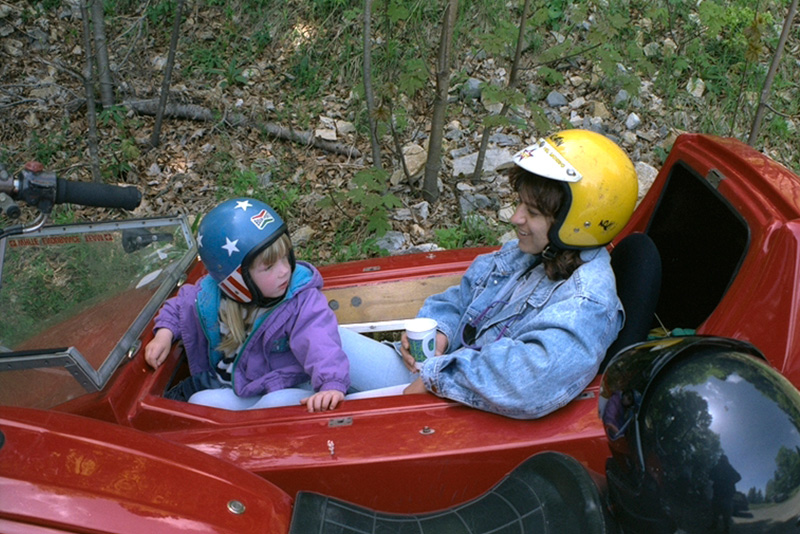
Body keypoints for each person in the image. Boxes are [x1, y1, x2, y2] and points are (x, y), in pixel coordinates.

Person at [341, 129, 638, 419]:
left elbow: (530, 378)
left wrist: (438, 377)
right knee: (315, 341)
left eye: (532, 213)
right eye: (520, 203)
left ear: (578, 223)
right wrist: (442, 331)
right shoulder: (530, 252)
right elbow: (461, 297)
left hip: (456, 409)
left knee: (302, 403)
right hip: (440, 378)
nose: (515, 217)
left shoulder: (586, 303)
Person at [145, 198, 349, 412]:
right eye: (269, 266)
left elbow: (319, 340)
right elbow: (180, 305)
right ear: (236, 279)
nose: (284, 270)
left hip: (279, 386)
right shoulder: (211, 295)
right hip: (222, 381)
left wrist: (330, 384)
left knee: (208, 405)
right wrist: (164, 334)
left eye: (285, 258)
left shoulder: (300, 299)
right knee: (174, 408)